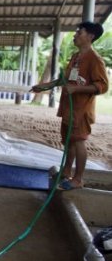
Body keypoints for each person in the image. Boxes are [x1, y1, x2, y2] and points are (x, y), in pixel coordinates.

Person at [31, 21, 109, 190]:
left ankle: (78, 179)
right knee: (69, 142)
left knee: (79, 141)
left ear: (90, 36)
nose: (75, 35)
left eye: (79, 33)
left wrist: (77, 88)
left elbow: (103, 86)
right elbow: (64, 80)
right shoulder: (75, 57)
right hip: (68, 109)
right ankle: (66, 172)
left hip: (81, 110)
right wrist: (44, 86)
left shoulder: (95, 60)